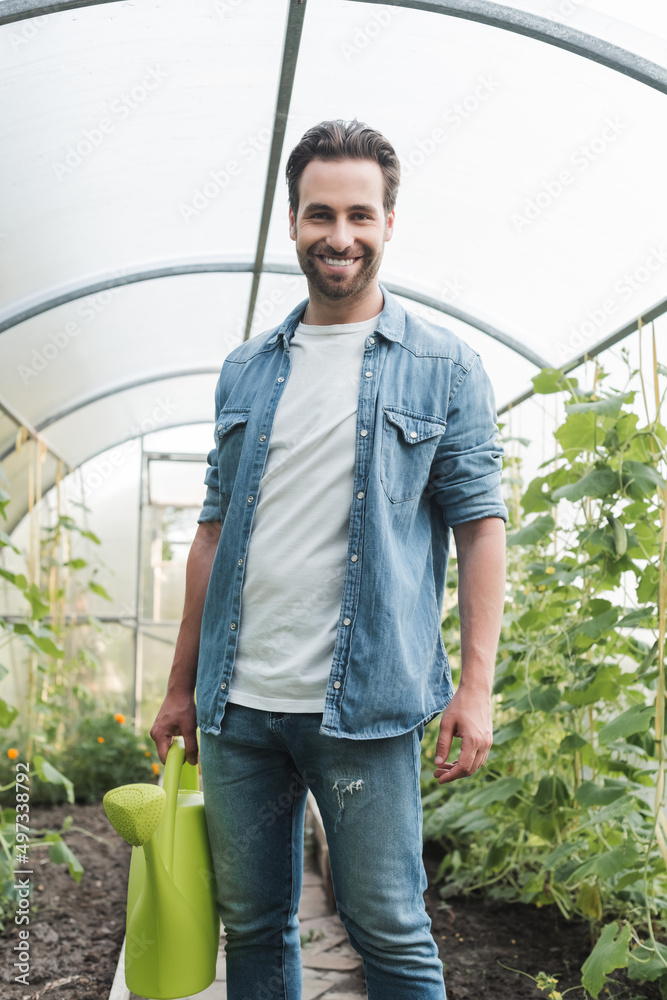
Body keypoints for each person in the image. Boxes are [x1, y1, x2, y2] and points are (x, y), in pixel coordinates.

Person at [150, 118, 508, 1000]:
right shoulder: (247, 369)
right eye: (319, 215)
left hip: (367, 705)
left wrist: (475, 686)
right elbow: (211, 531)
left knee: (388, 926)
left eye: (358, 215)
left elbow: (479, 526)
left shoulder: (445, 368)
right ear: (292, 222)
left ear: (390, 222)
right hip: (240, 708)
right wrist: (179, 685)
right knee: (255, 928)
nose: (337, 237)